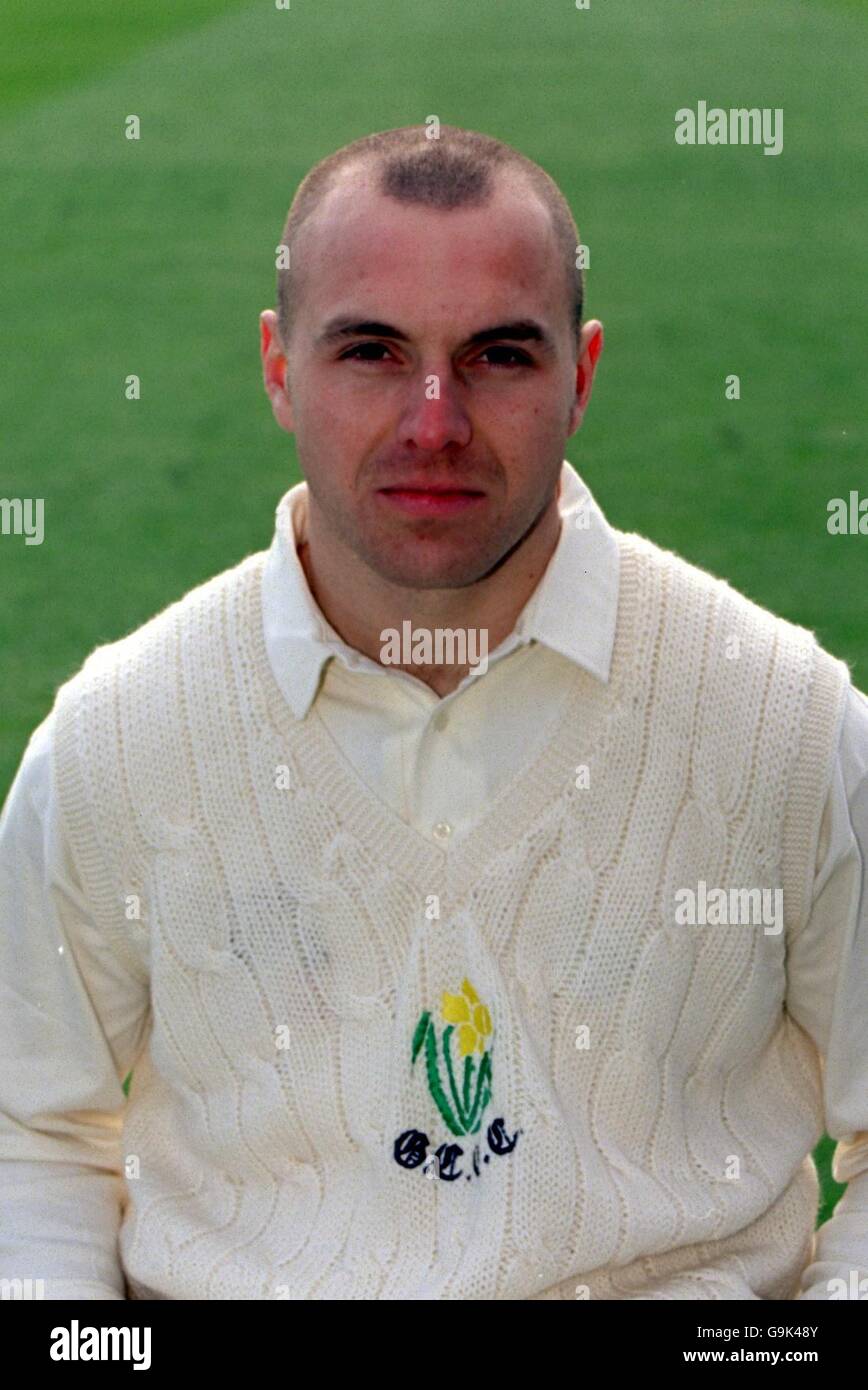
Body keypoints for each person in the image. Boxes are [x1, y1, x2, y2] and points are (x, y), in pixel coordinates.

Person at [1, 124, 866, 1301]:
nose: (432, 422)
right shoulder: (116, 736)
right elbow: (30, 1136)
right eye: (370, 350)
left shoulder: (785, 719)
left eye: (498, 356)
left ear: (583, 373)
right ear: (276, 366)